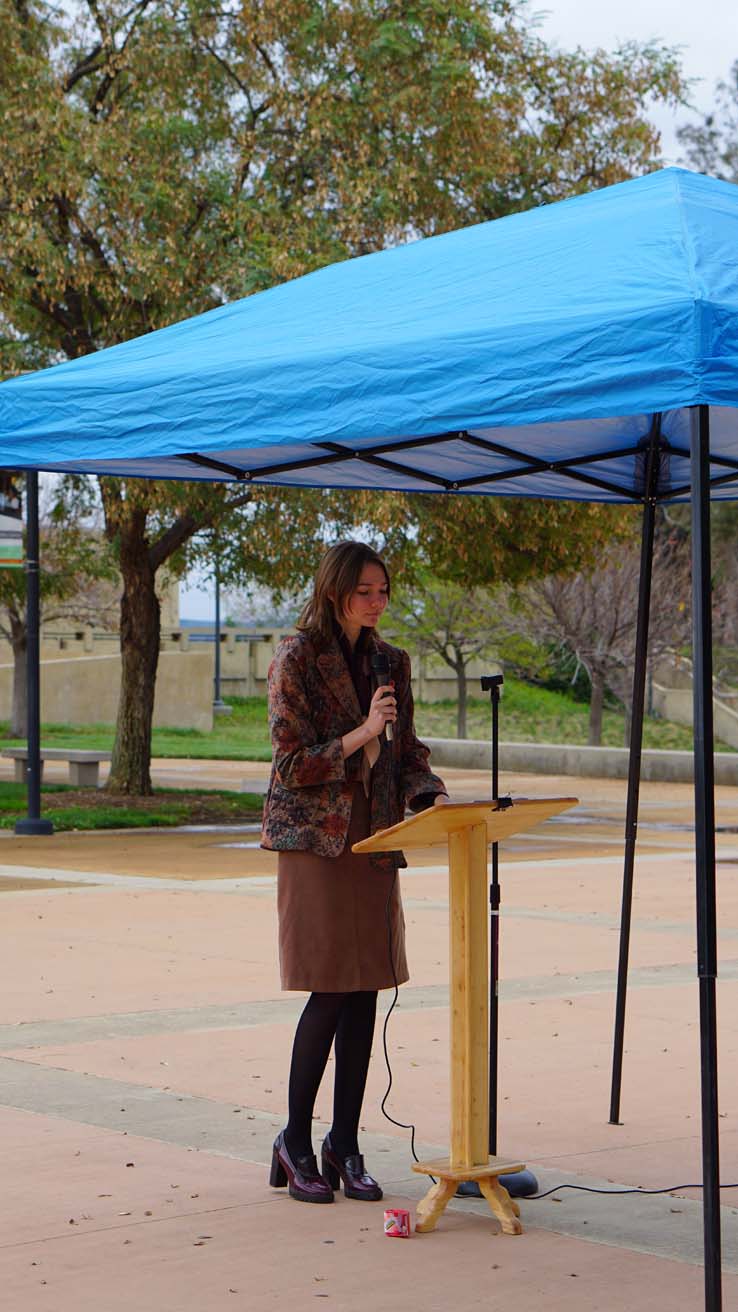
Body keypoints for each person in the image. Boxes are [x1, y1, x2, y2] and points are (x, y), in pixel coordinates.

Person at [262, 540, 449, 1204]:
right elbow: (290, 765)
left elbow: (409, 750)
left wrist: (432, 795)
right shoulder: (297, 658)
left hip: (374, 837)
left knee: (366, 988)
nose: (378, 602)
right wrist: (362, 733)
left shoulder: (390, 660)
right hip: (317, 846)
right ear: (336, 591)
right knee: (331, 988)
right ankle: (294, 1139)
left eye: (384, 590)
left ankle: (344, 1142)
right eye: (366, 590)